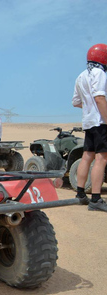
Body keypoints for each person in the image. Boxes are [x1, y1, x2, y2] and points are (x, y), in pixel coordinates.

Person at [72, 43, 107, 211]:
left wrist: (89, 107)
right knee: (101, 158)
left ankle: (80, 194)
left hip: (88, 122)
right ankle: (96, 199)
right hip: (100, 122)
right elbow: (100, 97)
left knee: (87, 156)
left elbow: (76, 102)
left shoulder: (81, 76)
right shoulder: (99, 73)